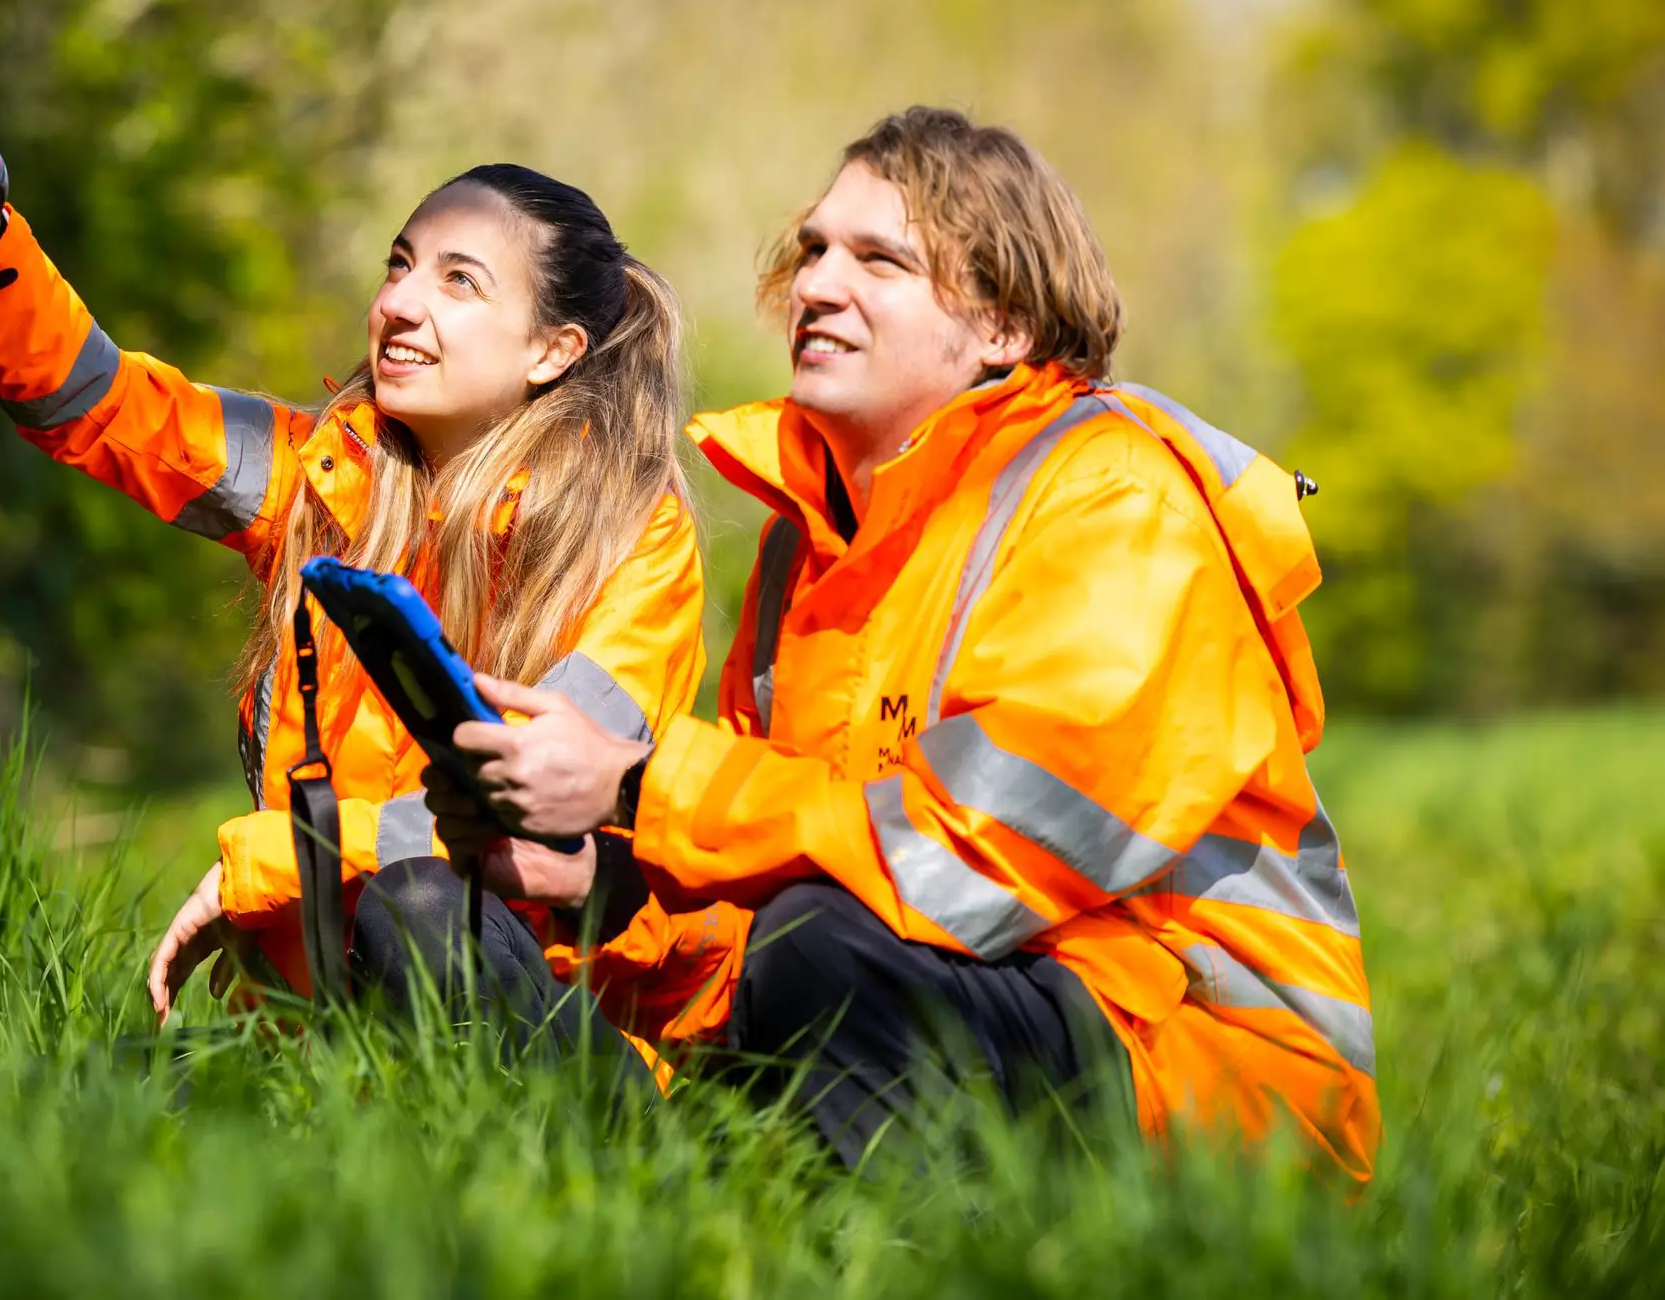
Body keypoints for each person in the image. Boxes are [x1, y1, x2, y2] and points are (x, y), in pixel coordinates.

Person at [413, 106, 1379, 1178]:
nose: (817, 284)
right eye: (814, 249)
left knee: (813, 951)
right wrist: (598, 886)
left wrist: (639, 786)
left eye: (880, 259)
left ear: (1004, 323)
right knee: (475, 929)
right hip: (948, 1003)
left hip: (1218, 1096)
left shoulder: (1112, 497)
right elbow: (775, 891)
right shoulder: (809, 544)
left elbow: (977, 861)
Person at [0, 112, 745, 1067]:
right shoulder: (316, 475)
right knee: (53, 1099)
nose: (402, 303)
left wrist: (267, 868)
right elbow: (93, 402)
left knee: (423, 909)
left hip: (538, 1033)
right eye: (399, 265)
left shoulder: (627, 539)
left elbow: (523, 811)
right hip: (312, 1037)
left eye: (459, 282)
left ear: (552, 351)